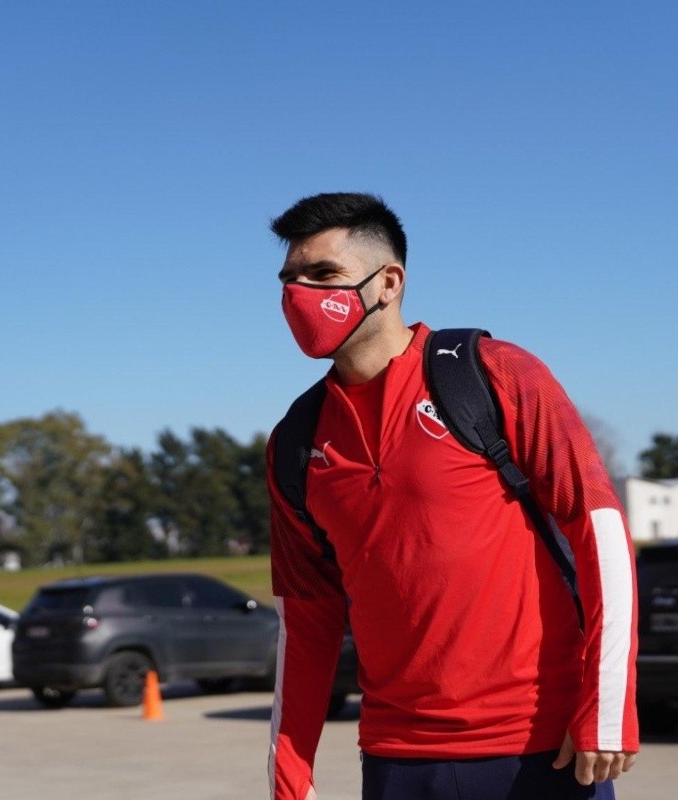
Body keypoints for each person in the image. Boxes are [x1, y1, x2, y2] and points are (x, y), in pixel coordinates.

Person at [266, 192, 638, 800]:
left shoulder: (494, 373)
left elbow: (599, 529)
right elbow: (307, 619)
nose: (299, 294)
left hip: (539, 748)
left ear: (387, 283)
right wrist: (290, 778)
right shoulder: (295, 439)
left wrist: (609, 705)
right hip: (397, 759)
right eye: (289, 280)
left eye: (322, 275)